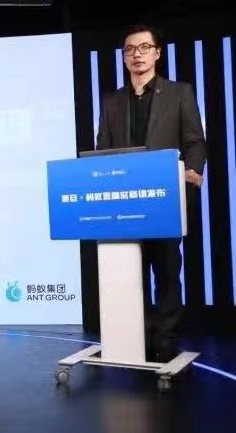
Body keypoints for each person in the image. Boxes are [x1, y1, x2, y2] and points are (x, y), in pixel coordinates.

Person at [96, 24, 206, 362]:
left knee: (167, 270)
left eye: (144, 47)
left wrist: (193, 171)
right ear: (123, 57)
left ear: (157, 53)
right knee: (130, 273)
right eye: (130, 49)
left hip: (164, 198)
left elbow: (194, 141)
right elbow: (102, 150)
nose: (137, 55)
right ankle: (138, 335)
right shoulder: (112, 101)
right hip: (124, 201)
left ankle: (165, 338)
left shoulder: (179, 93)